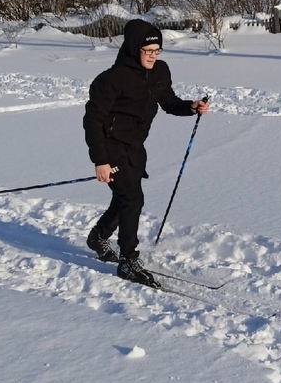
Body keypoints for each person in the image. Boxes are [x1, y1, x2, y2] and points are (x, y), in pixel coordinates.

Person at [83, 18, 209, 286]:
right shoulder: (110, 80)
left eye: (157, 51)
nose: (153, 56)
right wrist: (100, 161)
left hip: (135, 146)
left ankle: (99, 237)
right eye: (147, 51)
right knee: (132, 199)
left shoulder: (160, 71)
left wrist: (191, 107)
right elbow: (92, 120)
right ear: (133, 48)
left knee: (124, 197)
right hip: (110, 146)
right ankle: (128, 260)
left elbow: (168, 102)